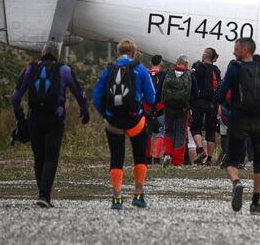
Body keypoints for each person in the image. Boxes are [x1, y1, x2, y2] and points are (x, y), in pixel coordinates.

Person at [12, 41, 89, 207]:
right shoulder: (64, 70)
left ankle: (42, 193)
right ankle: (44, 196)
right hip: (55, 119)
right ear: (57, 54)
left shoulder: (30, 69)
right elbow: (80, 93)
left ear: (42, 52)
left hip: (34, 119)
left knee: (38, 157)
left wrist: (19, 115)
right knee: (51, 158)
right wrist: (85, 110)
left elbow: (16, 96)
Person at [216, 38, 260, 214]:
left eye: (236, 49)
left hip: (239, 119)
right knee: (259, 163)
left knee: (232, 161)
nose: (234, 52)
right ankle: (255, 202)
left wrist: (222, 105)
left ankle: (237, 183)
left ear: (245, 50)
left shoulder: (234, 70)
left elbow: (221, 96)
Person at [93, 39, 155, 209]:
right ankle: (138, 194)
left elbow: (96, 97)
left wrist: (106, 114)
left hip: (113, 122)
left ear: (118, 53)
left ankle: (117, 197)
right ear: (134, 53)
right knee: (140, 157)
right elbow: (151, 97)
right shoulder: (141, 69)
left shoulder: (108, 70)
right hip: (135, 121)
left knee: (116, 159)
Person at [156, 55, 199, 167]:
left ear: (177, 62)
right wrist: (192, 105)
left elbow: (159, 89)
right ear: (185, 64)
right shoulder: (190, 75)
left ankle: (167, 154)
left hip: (168, 107)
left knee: (168, 130)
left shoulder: (167, 73)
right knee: (181, 133)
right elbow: (195, 94)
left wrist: (156, 105)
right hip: (183, 109)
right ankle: (177, 161)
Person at [191, 48, 221, 166]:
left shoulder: (199, 67)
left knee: (195, 127)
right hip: (213, 103)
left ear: (205, 55)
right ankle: (209, 159)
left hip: (200, 101)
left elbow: (193, 82)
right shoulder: (216, 70)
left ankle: (200, 150)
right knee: (210, 131)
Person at [145, 55, 165, 165]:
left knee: (148, 132)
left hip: (147, 108)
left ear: (150, 63)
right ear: (161, 63)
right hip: (161, 107)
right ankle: (157, 158)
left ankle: (148, 157)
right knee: (162, 131)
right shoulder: (163, 75)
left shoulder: (146, 74)